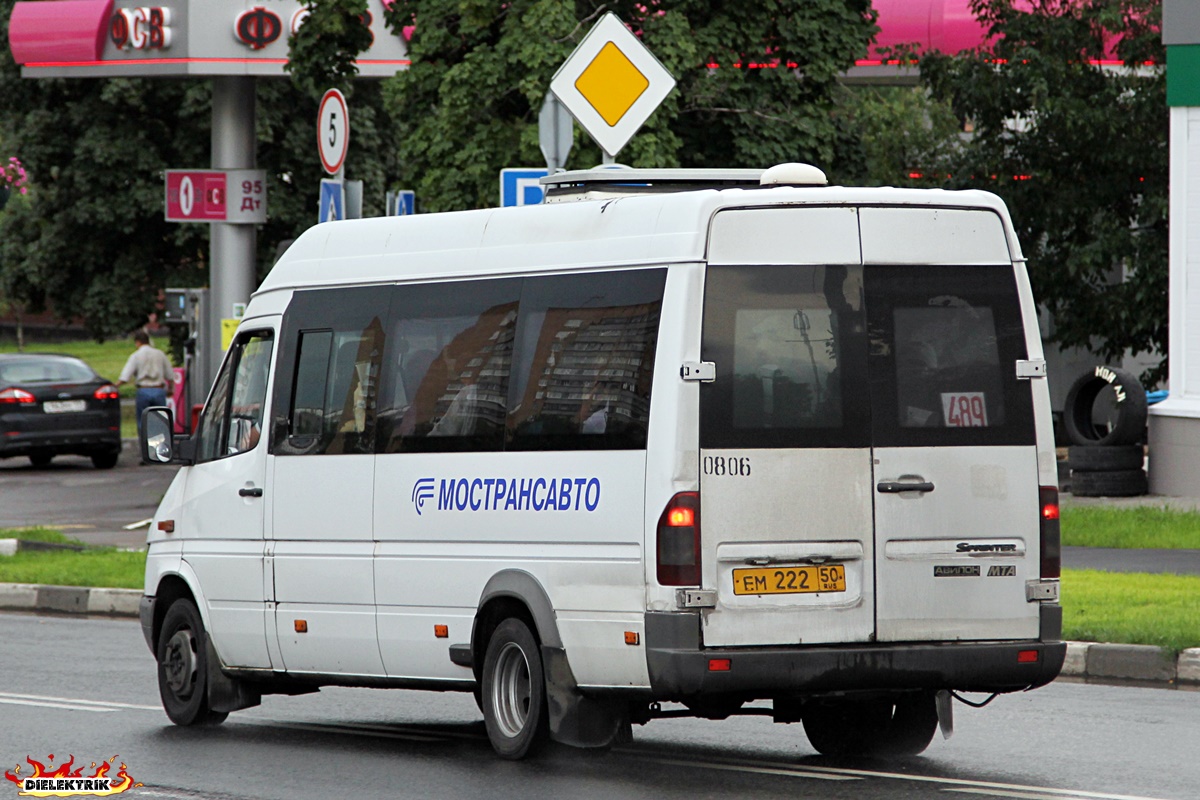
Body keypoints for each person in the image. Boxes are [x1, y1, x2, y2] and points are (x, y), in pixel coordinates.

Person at [116, 330, 175, 444]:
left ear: (137, 342)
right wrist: (170, 389)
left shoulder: (136, 356)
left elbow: (125, 376)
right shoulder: (160, 354)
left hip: (143, 390)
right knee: (160, 421)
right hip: (158, 390)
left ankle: (145, 450)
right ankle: (160, 449)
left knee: (143, 422)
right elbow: (170, 375)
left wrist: (115, 386)